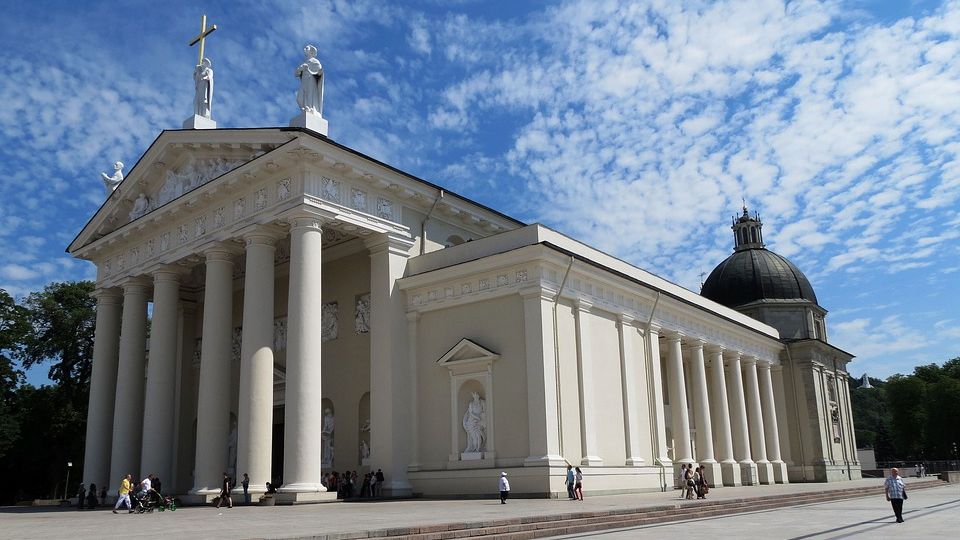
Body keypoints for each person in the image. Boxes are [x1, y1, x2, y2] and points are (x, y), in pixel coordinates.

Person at [295, 45, 325, 115]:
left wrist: (310, 69)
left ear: (311, 51)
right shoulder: (304, 62)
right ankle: (305, 108)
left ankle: (310, 108)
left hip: (311, 80)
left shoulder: (314, 61)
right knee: (299, 98)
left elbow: (319, 70)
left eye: (307, 48)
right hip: (304, 81)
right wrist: (301, 68)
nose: (304, 49)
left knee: (309, 95)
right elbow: (296, 74)